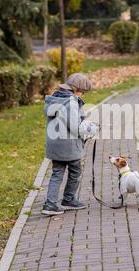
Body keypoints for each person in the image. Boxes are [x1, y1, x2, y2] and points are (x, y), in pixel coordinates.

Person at [42, 73, 98, 216]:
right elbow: (75, 127)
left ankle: (50, 204)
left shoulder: (56, 98)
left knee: (57, 173)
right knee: (75, 171)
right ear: (76, 89)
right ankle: (68, 199)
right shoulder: (71, 102)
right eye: (82, 92)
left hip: (55, 145)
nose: (83, 95)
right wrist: (91, 128)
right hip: (68, 145)